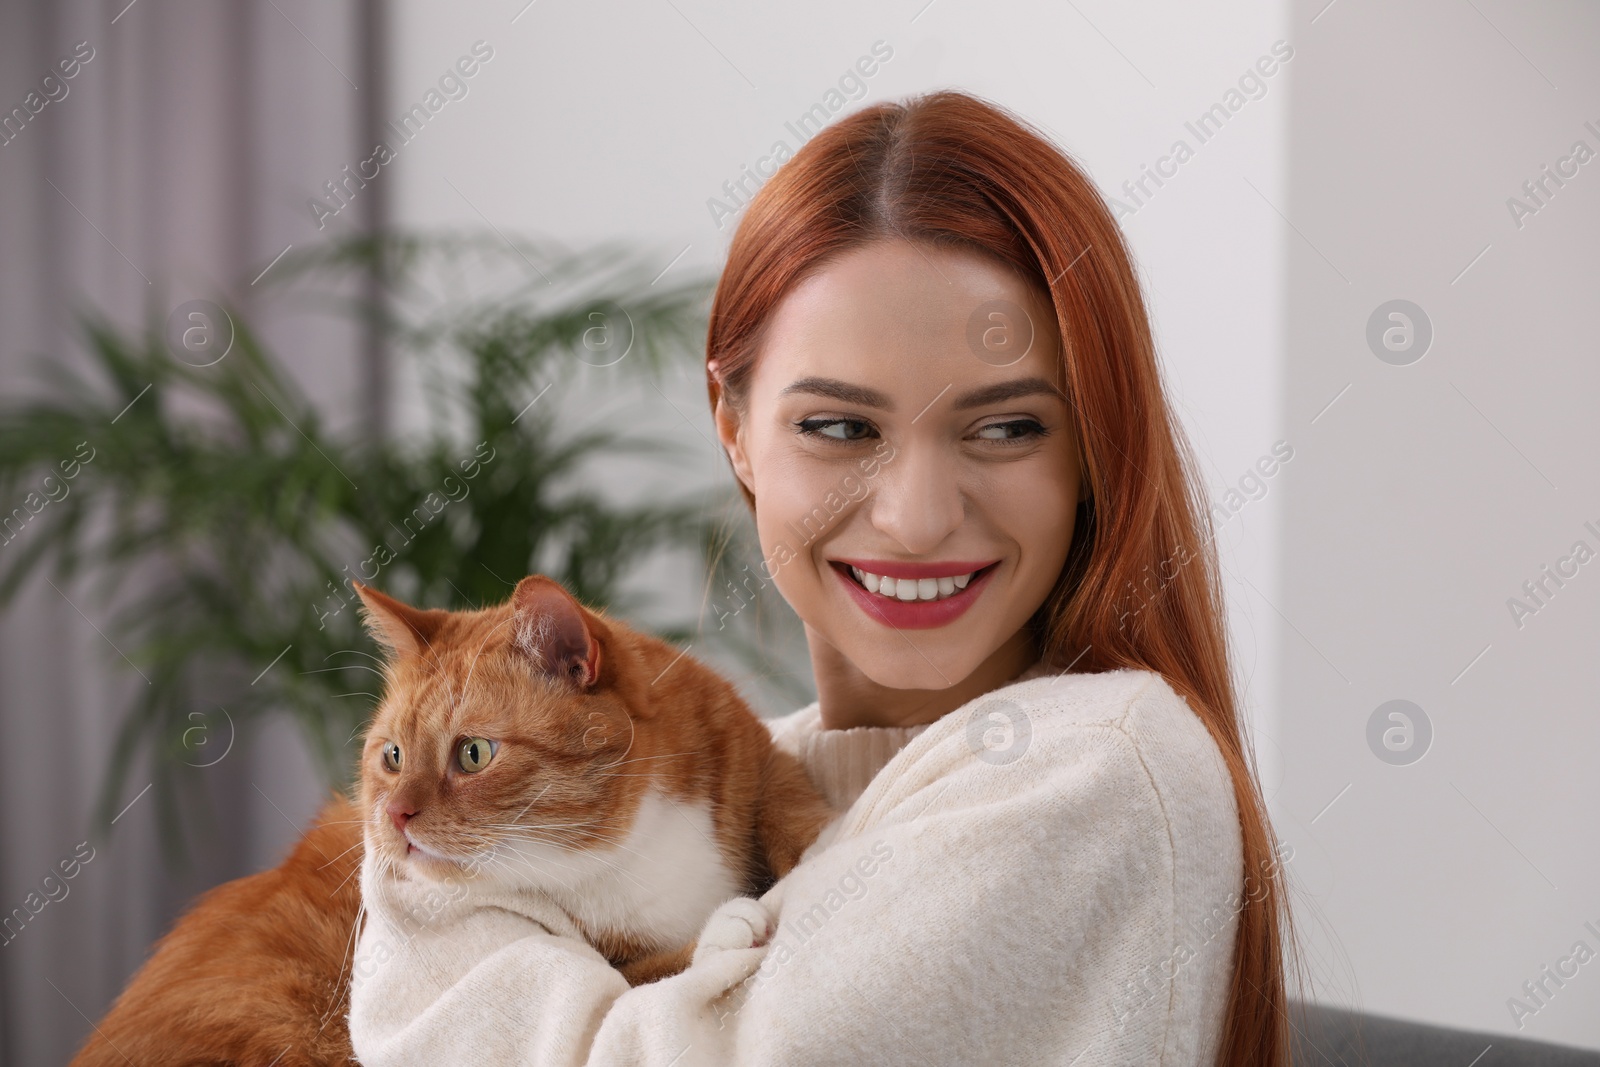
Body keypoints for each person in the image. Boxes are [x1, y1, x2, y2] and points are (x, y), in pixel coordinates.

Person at [348, 88, 1296, 1066]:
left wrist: (420, 911)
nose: (917, 516)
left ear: (1093, 447)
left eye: (1007, 426)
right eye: (840, 427)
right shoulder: (762, 772)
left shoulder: (1090, 766)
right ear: (734, 430)